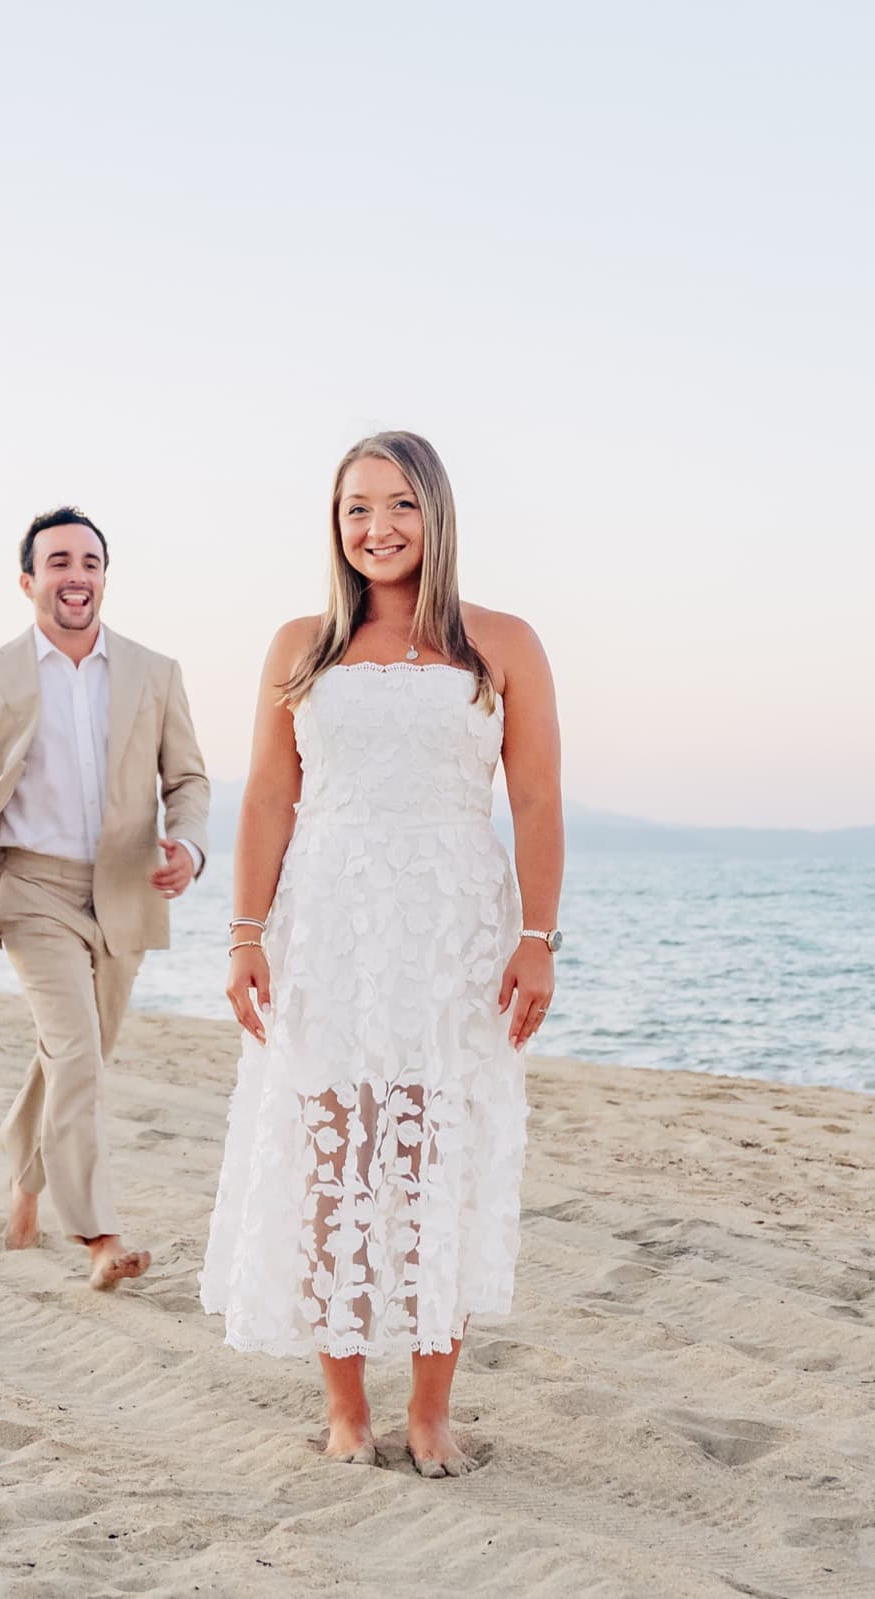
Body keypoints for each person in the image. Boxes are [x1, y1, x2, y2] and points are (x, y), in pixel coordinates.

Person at [199, 431, 564, 1477]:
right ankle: (346, 1408)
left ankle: (433, 1410)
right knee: (335, 1167)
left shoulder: (503, 642)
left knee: (436, 1160)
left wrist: (537, 942)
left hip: (457, 934)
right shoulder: (300, 645)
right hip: (329, 932)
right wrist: (243, 936)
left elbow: (536, 800)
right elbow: (271, 797)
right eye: (356, 509)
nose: (377, 529)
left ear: (436, 513)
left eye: (397, 505)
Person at [0, 507, 210, 1291]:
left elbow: (189, 780)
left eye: (91, 561)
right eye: (60, 561)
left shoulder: (154, 671)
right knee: (76, 1055)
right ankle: (99, 1234)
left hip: (124, 891)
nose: (78, 575)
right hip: (30, 888)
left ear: (105, 575)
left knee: (79, 1056)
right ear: (29, 579)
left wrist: (192, 846)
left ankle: (25, 1181)